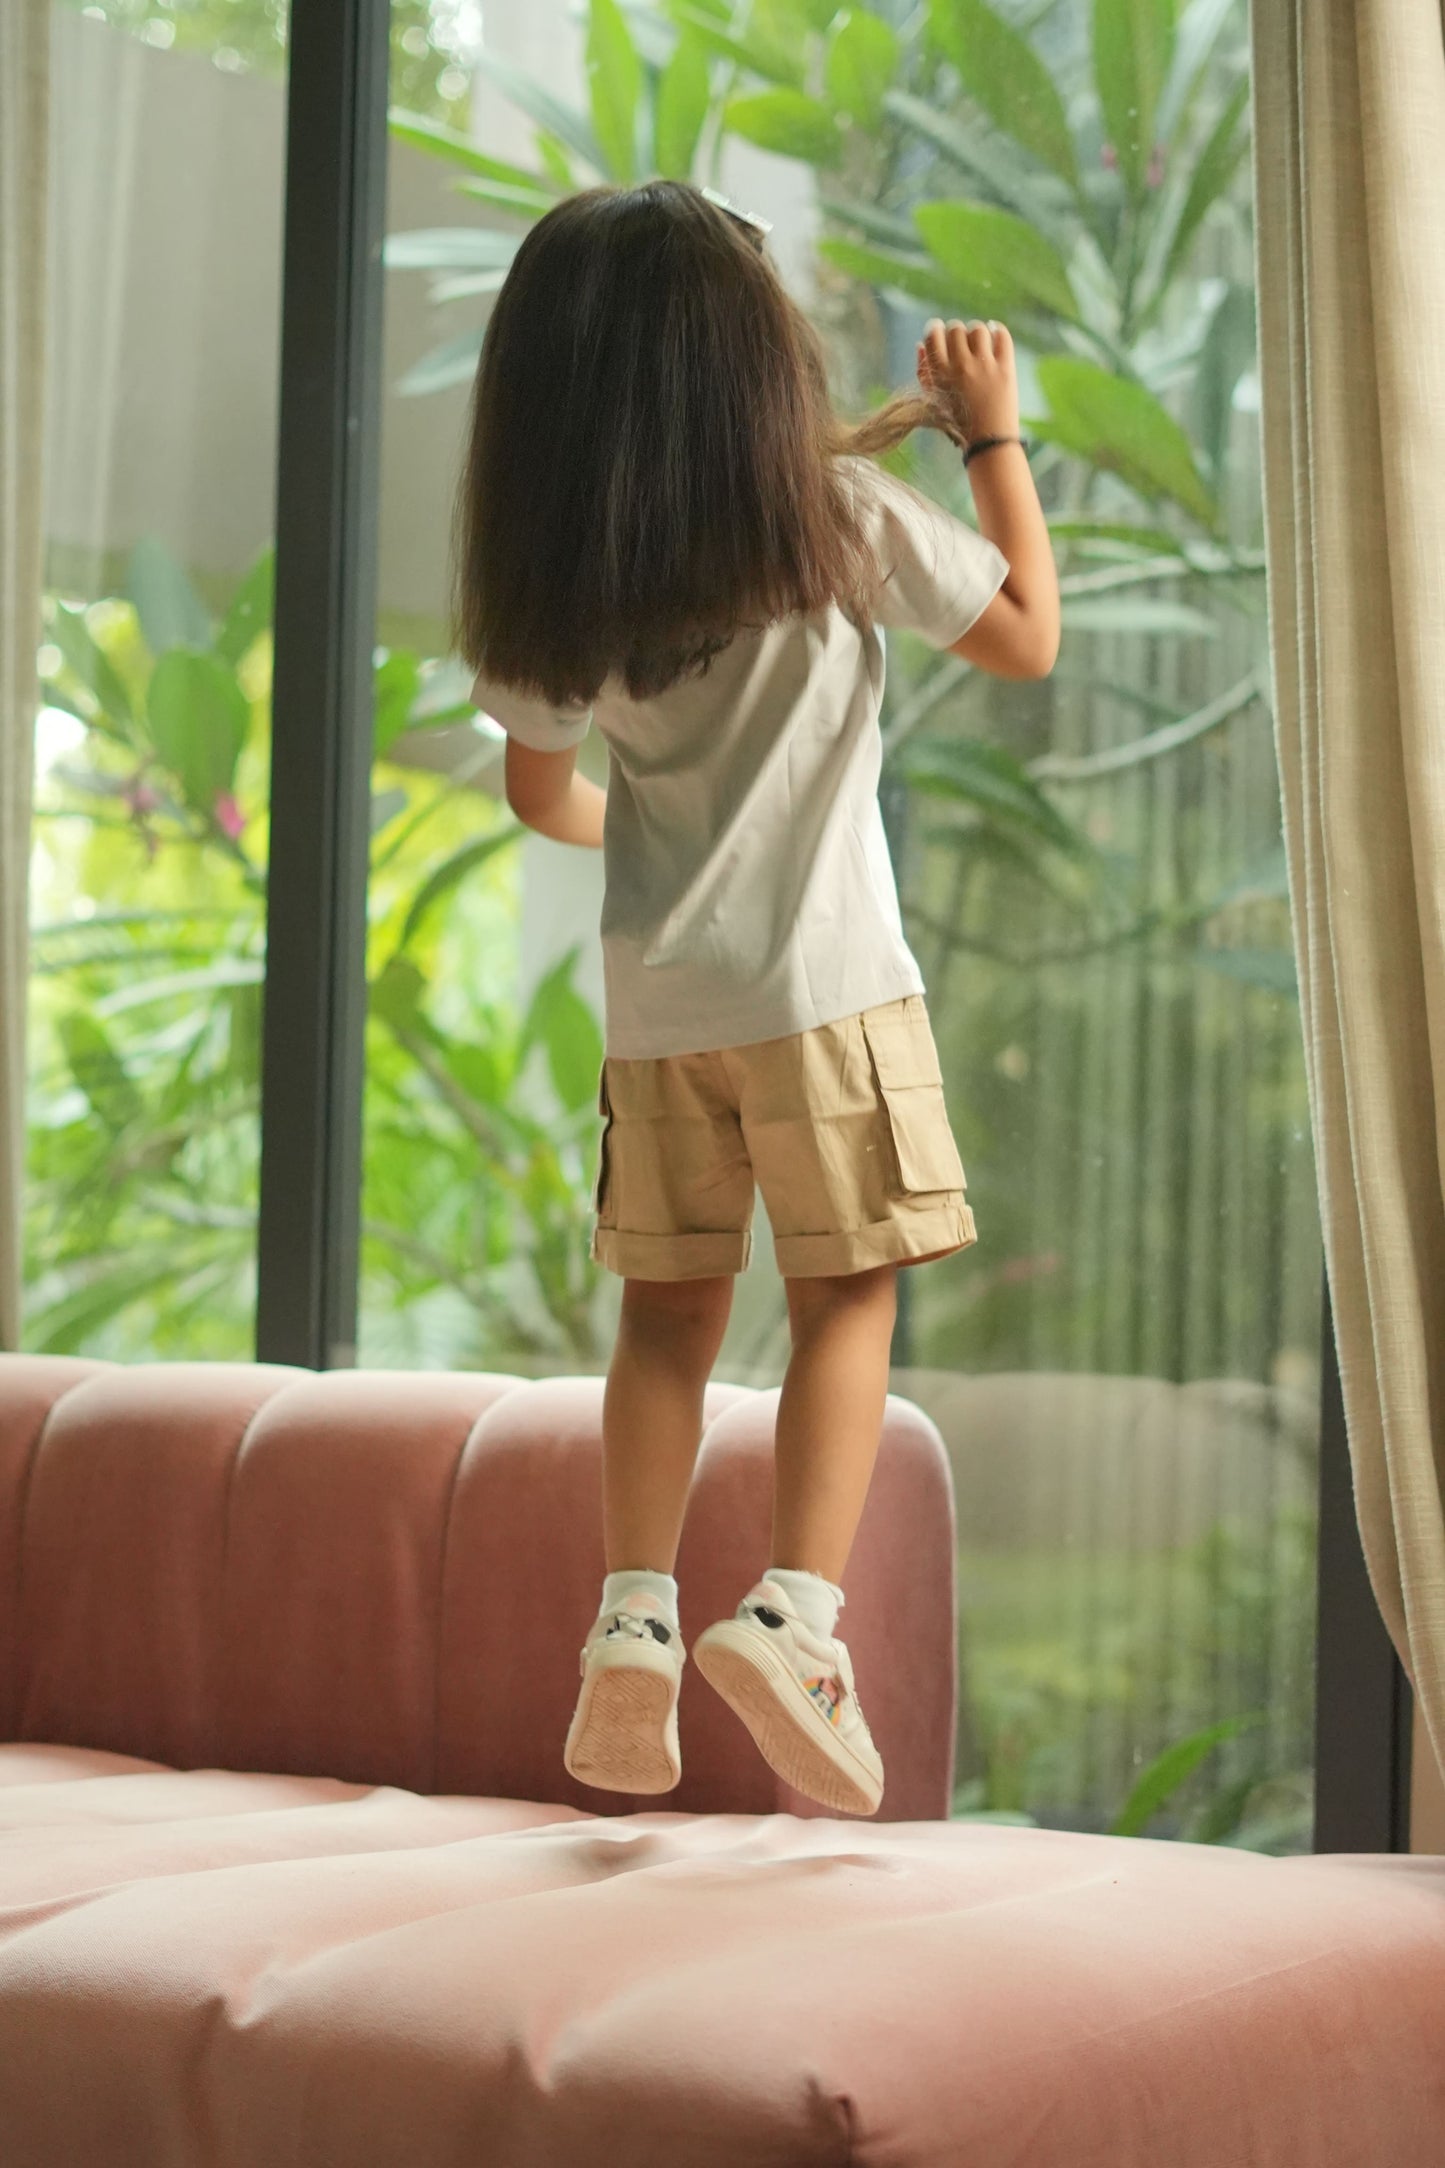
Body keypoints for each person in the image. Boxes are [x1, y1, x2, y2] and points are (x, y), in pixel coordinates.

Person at [456, 180, 1059, 1818]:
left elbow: (539, 794)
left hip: (661, 1018)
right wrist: (991, 442)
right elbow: (1023, 637)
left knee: (666, 1318)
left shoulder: (565, 586)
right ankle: (794, 1616)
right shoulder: (829, 526)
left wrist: (647, 839)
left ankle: (632, 1622)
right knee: (850, 1293)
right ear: (747, 364)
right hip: (830, 997)